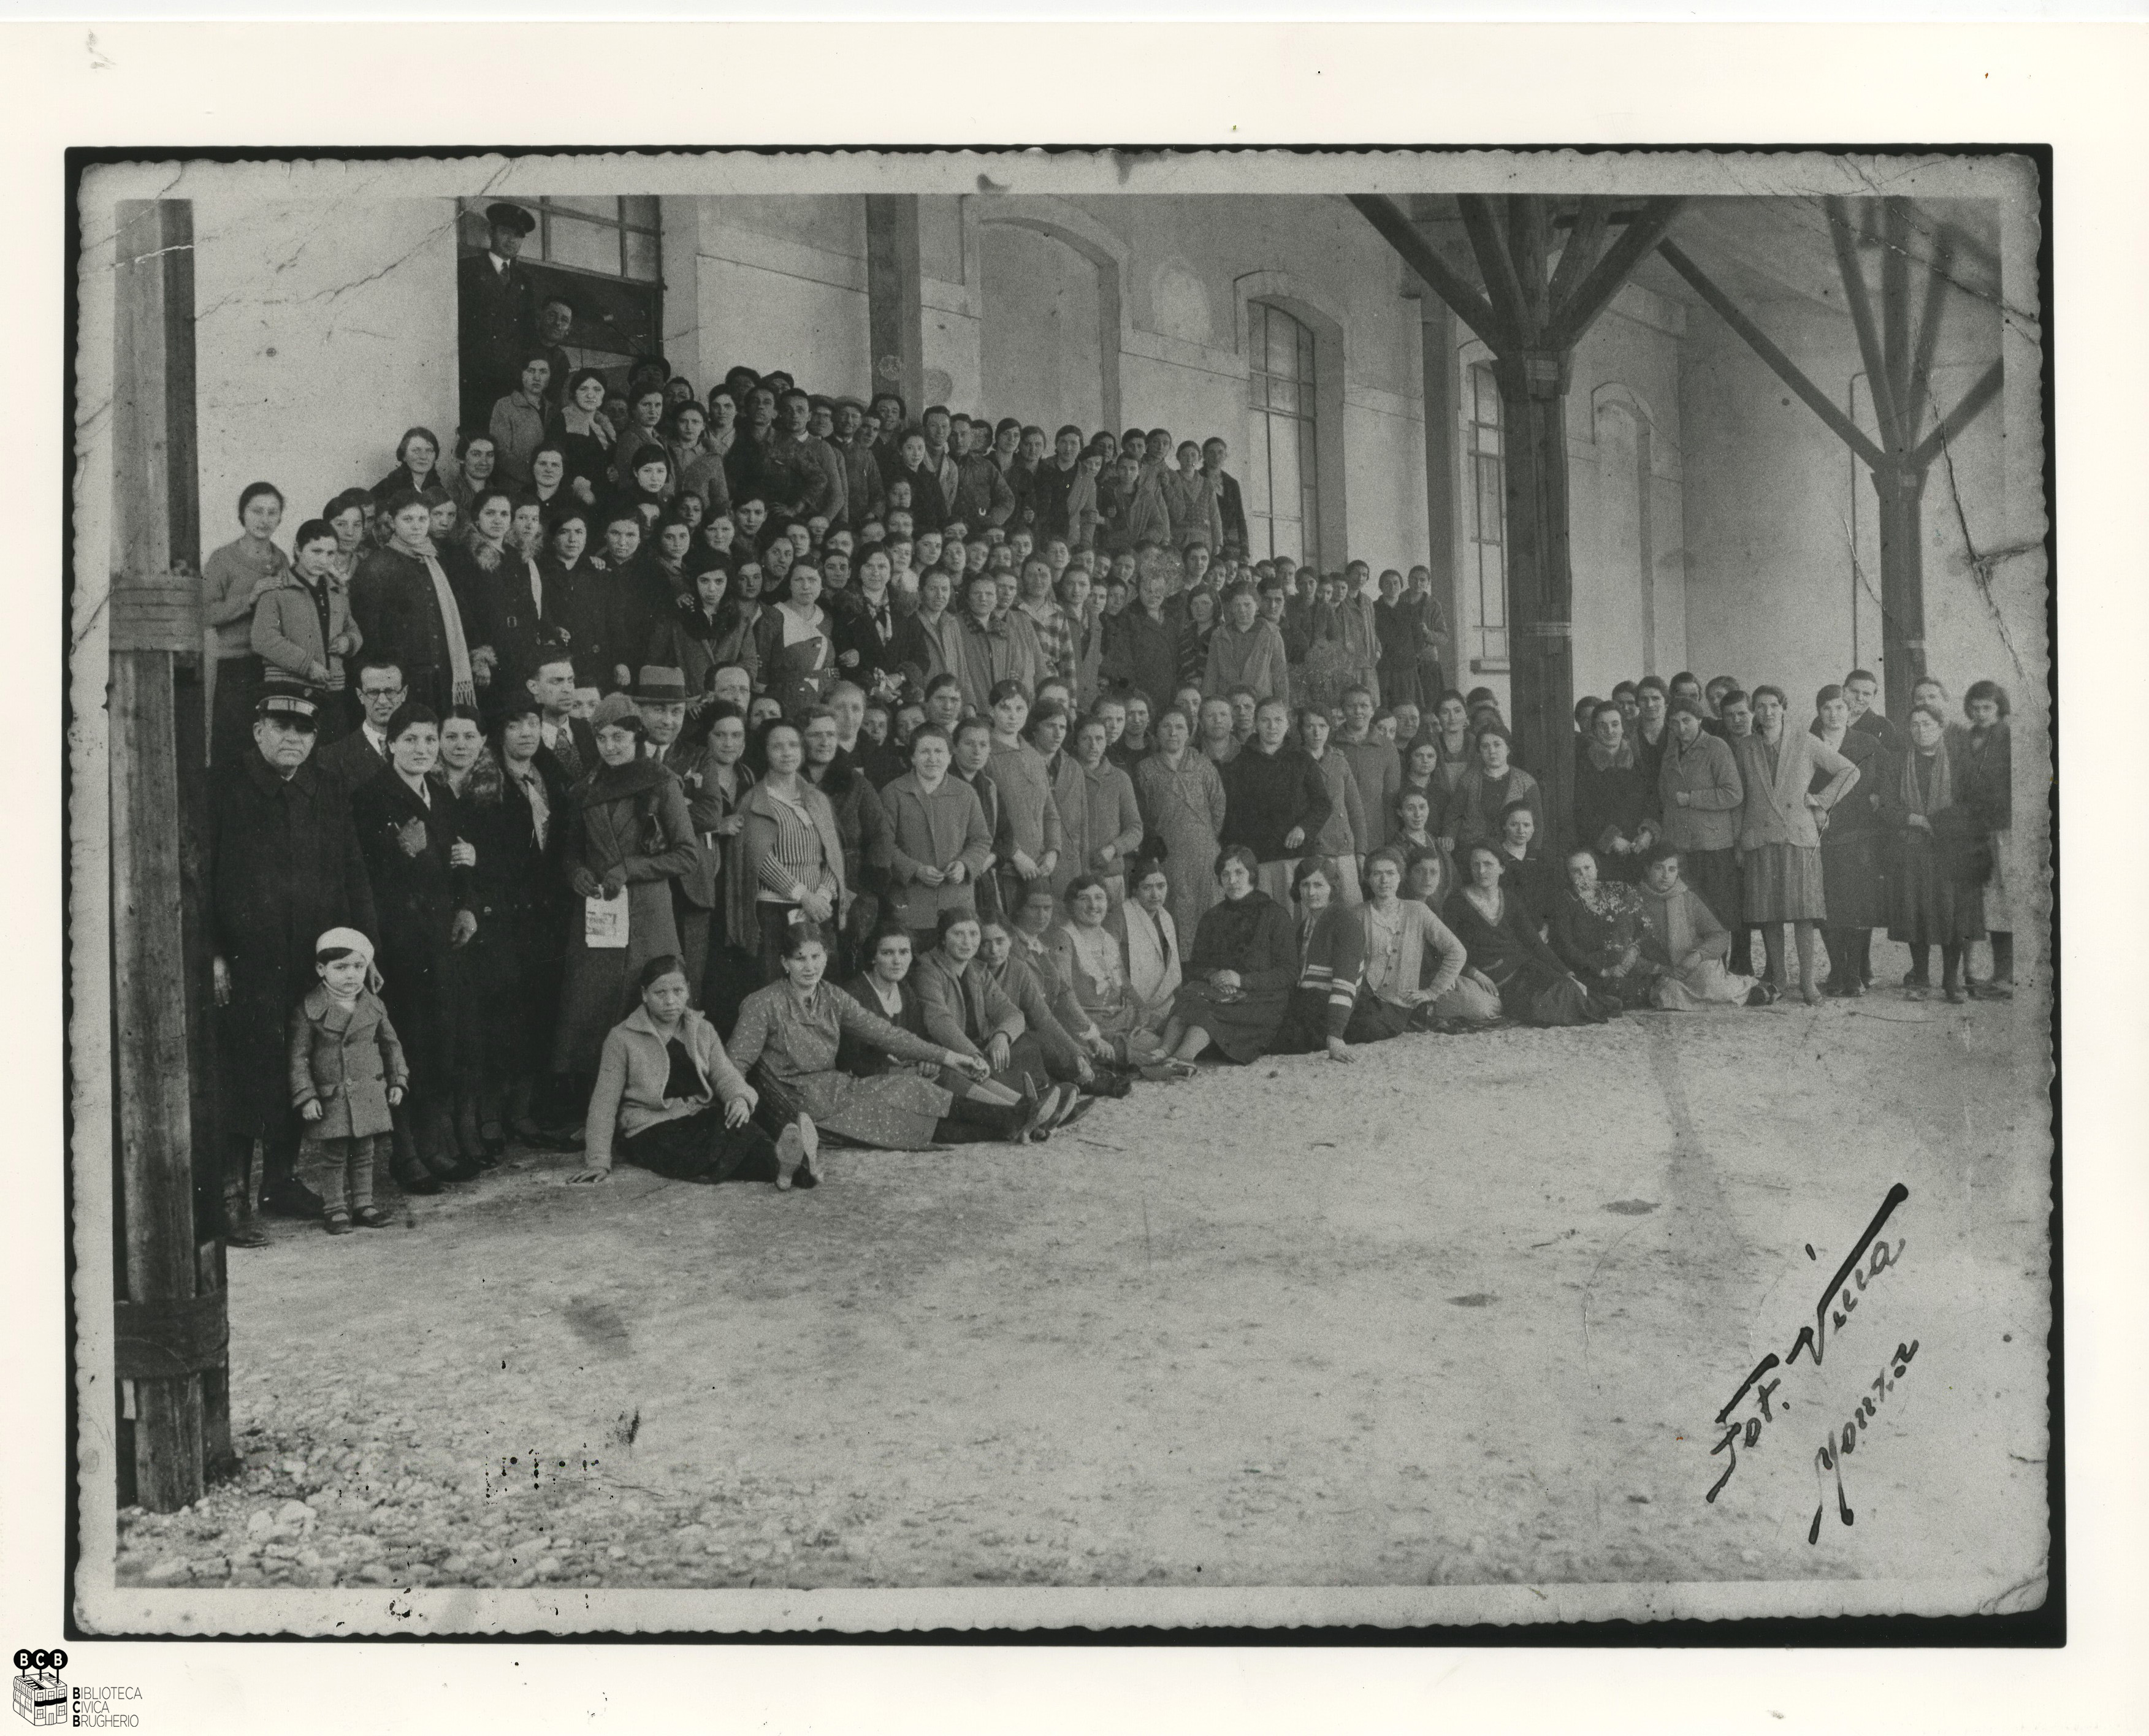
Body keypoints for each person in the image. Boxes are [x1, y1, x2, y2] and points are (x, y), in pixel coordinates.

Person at [211, 683, 378, 1238]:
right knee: (245, 1074)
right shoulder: (223, 786)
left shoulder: (327, 787)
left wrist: (363, 950)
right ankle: (231, 1198)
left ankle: (279, 1183)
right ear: (258, 730)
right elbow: (198, 874)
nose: (293, 739)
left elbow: (352, 871)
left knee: (301, 1063)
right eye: (281, 727)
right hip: (247, 963)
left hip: (312, 959)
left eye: (304, 730)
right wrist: (212, 953)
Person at [728, 922, 1049, 1151]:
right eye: (800, 959)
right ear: (784, 963)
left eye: (816, 957)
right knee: (895, 1119)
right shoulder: (763, 1003)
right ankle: (1013, 1119)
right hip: (793, 1102)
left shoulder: (832, 996)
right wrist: (739, 1096)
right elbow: (735, 1063)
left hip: (835, 1088)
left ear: (826, 957)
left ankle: (1012, 1120)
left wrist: (950, 1057)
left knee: (912, 1088)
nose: (810, 967)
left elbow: (886, 1034)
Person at [349, 701, 481, 1190]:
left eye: (429, 740)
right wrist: (399, 852)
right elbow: (361, 875)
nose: (422, 749)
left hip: (439, 941)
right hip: (398, 942)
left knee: (438, 1042)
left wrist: (466, 905)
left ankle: (433, 1146)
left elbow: (458, 861)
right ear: (390, 745)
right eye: (411, 740)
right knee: (402, 1042)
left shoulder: (440, 795)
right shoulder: (370, 797)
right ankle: (404, 1154)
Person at [549, 695, 700, 1102]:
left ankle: (648, 1100)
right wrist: (578, 874)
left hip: (649, 915)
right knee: (592, 1006)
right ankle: (596, 1106)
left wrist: (631, 868)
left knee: (645, 1000)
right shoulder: (585, 789)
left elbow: (687, 855)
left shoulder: (661, 782)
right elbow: (570, 853)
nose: (609, 747)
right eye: (601, 738)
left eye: (618, 737)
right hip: (600, 917)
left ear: (637, 736)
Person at [567, 953, 799, 1185]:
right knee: (707, 1152)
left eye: (678, 991)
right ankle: (782, 1170)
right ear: (644, 995)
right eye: (660, 993)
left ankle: (793, 1168)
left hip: (697, 1116)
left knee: (744, 1130)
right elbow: (604, 1101)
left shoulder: (702, 1030)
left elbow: (725, 1075)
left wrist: (739, 1098)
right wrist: (598, 1161)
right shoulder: (622, 1038)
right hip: (650, 1127)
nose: (670, 1001)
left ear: (688, 990)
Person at [1731, 683, 1861, 1004]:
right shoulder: (1745, 747)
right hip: (1760, 838)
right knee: (1769, 914)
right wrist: (1739, 841)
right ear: (1754, 712)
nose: (1768, 712)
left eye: (1774, 705)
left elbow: (1849, 771)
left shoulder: (1804, 740)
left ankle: (1807, 982)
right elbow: (1740, 798)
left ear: (1784, 708)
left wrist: (1821, 800)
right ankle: (1779, 977)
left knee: (1804, 913)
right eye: (1761, 707)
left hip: (1798, 838)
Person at [286, 927, 407, 1233]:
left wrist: (397, 1080)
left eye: (358, 966)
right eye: (341, 968)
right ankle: (335, 1209)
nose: (351, 975)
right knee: (334, 1155)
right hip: (333, 1095)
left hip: (368, 1091)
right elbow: (299, 1058)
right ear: (321, 969)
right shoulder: (309, 1010)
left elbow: (391, 1046)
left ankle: (364, 1205)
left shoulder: (374, 1005)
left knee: (365, 1152)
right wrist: (306, 1096)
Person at [1156, 844, 1300, 1069]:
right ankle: (1162, 1052)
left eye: (1239, 873)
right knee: (1190, 997)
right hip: (1219, 992)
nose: (1232, 881)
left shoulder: (1276, 916)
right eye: (1225, 874)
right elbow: (1195, 966)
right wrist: (1214, 976)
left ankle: (1183, 1058)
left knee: (1207, 1011)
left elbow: (1289, 973)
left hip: (1261, 999)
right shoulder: (1211, 918)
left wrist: (1241, 980)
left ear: (1252, 875)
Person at [1881, 704, 1987, 1003]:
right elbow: (1887, 806)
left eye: (1927, 724)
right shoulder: (1898, 762)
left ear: (1941, 727)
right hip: (1912, 848)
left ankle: (1951, 981)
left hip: (1952, 849)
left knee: (1953, 915)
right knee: (1916, 912)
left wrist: (1943, 824)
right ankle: (1921, 977)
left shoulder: (1960, 760)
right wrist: (1915, 819)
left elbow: (1974, 802)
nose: (1921, 730)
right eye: (1915, 725)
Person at [1443, 842, 1609, 1027]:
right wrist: (1473, 973)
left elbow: (1534, 942)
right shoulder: (1456, 903)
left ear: (1501, 868)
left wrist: (1565, 972)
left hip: (1522, 968)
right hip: (1491, 978)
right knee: (1539, 1009)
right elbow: (1445, 949)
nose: (1481, 871)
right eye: (1476, 865)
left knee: (1570, 989)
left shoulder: (1510, 899)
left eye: (1488, 864)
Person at [349, 489, 479, 715]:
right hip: (403, 677)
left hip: (442, 674)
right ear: (392, 522)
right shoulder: (376, 567)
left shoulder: (436, 560)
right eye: (408, 519)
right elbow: (370, 633)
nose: (417, 526)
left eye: (422, 519)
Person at [1346, 847, 1497, 1037]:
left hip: (1402, 1002)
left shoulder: (1418, 910)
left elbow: (1456, 951)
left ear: (1400, 877)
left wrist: (1432, 992)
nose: (1384, 880)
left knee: (1370, 1028)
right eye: (1377, 874)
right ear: (1368, 878)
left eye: (1391, 873)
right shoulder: (1357, 914)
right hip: (1364, 998)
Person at [739, 718, 847, 976]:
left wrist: (822, 895)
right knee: (777, 982)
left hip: (819, 908)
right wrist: (804, 896)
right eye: (777, 747)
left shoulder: (816, 798)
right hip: (774, 911)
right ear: (765, 752)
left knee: (824, 982)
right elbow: (761, 860)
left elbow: (833, 854)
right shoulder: (755, 800)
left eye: (793, 745)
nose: (787, 752)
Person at [1808, 683, 1890, 997]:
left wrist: (1878, 796)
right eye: (1827, 708)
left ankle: (1854, 973)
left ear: (1849, 709)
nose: (1834, 714)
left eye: (1840, 707)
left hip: (1859, 834)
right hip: (1822, 833)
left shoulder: (1867, 742)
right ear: (1819, 712)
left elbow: (1886, 778)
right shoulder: (1809, 742)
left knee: (1857, 904)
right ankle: (1837, 970)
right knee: (1827, 905)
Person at [879, 724, 994, 949]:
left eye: (939, 751)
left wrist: (964, 864)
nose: (932, 759)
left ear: (950, 757)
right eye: (924, 751)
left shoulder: (966, 793)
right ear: (912, 758)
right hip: (911, 904)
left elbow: (981, 839)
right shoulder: (894, 793)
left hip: (957, 903)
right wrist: (915, 869)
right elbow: (883, 844)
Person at [205, 482, 292, 765]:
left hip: (272, 666)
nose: (264, 519)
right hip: (234, 666)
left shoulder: (281, 559)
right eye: (257, 511)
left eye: (272, 512)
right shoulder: (222, 559)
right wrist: (250, 598)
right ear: (242, 513)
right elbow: (207, 613)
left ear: (280, 518)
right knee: (233, 747)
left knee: (268, 748)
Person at [1633, 843, 1775, 1010]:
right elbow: (1627, 946)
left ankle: (1743, 988)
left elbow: (1720, 935)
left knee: (1707, 980)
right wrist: (1661, 969)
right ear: (1647, 869)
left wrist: (1697, 956)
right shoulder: (1635, 900)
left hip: (1691, 966)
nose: (1665, 876)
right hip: (1658, 970)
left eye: (1672, 870)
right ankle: (1744, 994)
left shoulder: (1688, 898)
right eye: (1659, 868)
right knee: (1667, 990)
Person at [1220, 696, 1332, 905]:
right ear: (1256, 724)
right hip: (1258, 860)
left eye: (1278, 720)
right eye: (1265, 720)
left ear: (1288, 724)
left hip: (1295, 857)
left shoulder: (1302, 759)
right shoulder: (1240, 763)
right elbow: (1232, 814)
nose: (1272, 727)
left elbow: (1322, 804)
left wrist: (1303, 829)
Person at [1656, 695, 1745, 956]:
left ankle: (1719, 967)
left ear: (1700, 720)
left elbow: (1733, 794)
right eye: (1674, 723)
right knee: (1689, 912)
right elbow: (1665, 794)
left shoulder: (1716, 747)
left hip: (1712, 844)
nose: (1681, 727)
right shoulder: (1670, 751)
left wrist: (1692, 798)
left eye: (1687, 721)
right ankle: (1695, 967)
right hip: (1680, 845)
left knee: (1717, 912)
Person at [1132, 703, 1228, 945]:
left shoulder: (1203, 765)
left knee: (1208, 915)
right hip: (1167, 856)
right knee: (1172, 918)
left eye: (1180, 727)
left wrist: (1205, 838)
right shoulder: (1146, 769)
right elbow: (1143, 815)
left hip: (1204, 856)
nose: (1173, 733)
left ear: (1190, 732)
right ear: (1156, 731)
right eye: (1166, 726)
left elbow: (1218, 806)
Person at [251, 516, 361, 721]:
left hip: (332, 688)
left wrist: (348, 642)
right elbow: (263, 638)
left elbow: (353, 630)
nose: (323, 560)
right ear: (298, 549)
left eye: (330, 553)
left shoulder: (337, 592)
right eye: (316, 551)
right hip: (289, 686)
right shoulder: (276, 588)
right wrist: (308, 665)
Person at [1270, 856, 1364, 1064]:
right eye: (1305, 885)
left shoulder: (1346, 922)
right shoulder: (1307, 924)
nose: (1311, 892)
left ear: (1332, 887)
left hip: (1327, 1013)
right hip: (1304, 1004)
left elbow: (1345, 983)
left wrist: (1335, 1036)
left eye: (1319, 885)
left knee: (1262, 1038)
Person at [1956, 680, 2016, 999]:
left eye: (1987, 708)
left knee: (2003, 899)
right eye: (1976, 708)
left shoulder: (2008, 737)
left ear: (1998, 708)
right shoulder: (1967, 738)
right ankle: (1975, 974)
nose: (1981, 714)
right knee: (1977, 899)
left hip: (2001, 829)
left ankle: (2005, 975)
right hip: (1973, 831)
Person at [1548, 847, 1663, 1010]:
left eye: (1587, 868)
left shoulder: (1614, 891)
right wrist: (1603, 971)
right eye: (1576, 871)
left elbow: (1644, 926)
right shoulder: (1565, 901)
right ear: (1569, 875)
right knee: (1630, 992)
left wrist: (1634, 949)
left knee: (1659, 980)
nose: (1583, 874)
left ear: (1596, 868)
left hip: (1622, 962)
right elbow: (1566, 946)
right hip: (1589, 969)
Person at [458, 202, 539, 432]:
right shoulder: (467, 270)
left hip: (509, 380)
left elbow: (528, 333)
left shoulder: (524, 281)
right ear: (491, 232)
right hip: (474, 377)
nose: (512, 240)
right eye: (506, 232)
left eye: (518, 236)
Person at [1057, 713, 1145, 902]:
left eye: (1099, 739)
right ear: (1076, 741)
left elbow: (1135, 829)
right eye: (1086, 739)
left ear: (1106, 742)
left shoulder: (1119, 779)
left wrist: (1113, 849)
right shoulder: (1065, 775)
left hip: (1110, 875)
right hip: (1072, 875)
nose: (1093, 745)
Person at [1573, 701, 1659, 881]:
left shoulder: (1639, 763)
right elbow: (1582, 812)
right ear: (1594, 730)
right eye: (1602, 726)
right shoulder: (1583, 766)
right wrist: (1612, 840)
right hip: (1600, 855)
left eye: (1615, 724)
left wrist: (1648, 833)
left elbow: (1653, 802)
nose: (1610, 731)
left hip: (1639, 851)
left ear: (1623, 728)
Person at [1298, 706, 1367, 907]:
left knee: (1351, 907)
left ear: (1330, 729)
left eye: (1322, 726)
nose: (1317, 732)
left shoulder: (1339, 760)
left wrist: (1360, 852)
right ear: (1301, 729)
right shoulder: (1295, 761)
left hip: (1342, 849)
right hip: (1312, 851)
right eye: (1310, 726)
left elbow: (1355, 810)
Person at [1445, 725, 1545, 856]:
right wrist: (1449, 837)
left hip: (1512, 853)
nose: (1492, 751)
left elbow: (1536, 824)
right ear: (1479, 751)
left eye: (1497, 745)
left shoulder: (1526, 782)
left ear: (1508, 749)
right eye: (1485, 746)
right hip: (1472, 852)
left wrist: (1531, 856)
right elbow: (1453, 816)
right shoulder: (1468, 780)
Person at [1331, 685, 1402, 856]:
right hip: (1338, 837)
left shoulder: (1387, 746)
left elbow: (1391, 799)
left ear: (1373, 710)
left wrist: (1391, 841)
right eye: (1351, 706)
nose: (1358, 711)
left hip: (1375, 836)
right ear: (1343, 710)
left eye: (1364, 706)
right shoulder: (1330, 743)